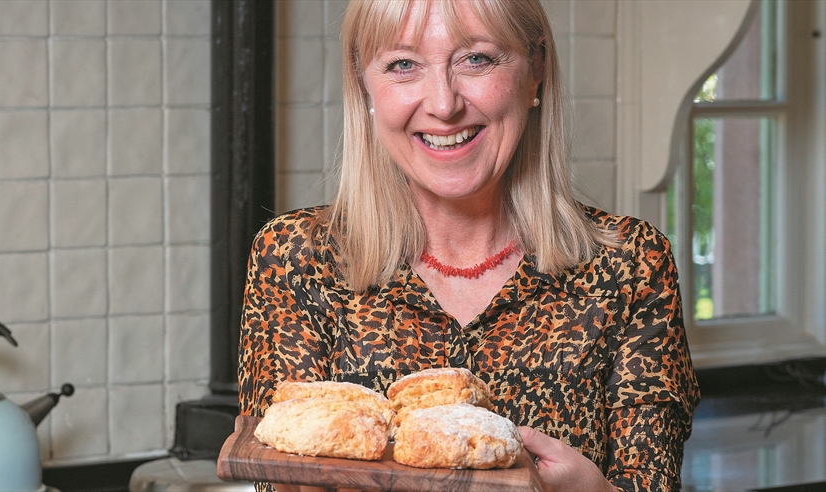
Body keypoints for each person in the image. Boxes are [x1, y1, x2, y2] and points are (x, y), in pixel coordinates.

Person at [238, 0, 700, 491]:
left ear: (535, 68)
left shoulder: (630, 264)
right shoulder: (294, 257)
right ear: (363, 83)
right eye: (403, 65)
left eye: (476, 59)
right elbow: (277, 469)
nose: (443, 103)